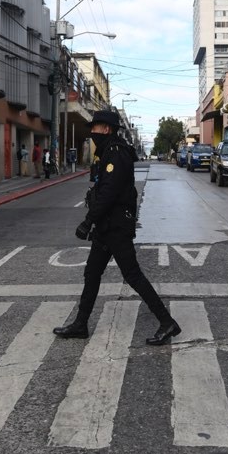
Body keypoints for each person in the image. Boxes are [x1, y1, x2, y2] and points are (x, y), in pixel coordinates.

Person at [53, 110, 181, 345]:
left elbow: (109, 192)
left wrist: (87, 221)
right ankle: (81, 324)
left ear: (107, 129)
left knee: (132, 274)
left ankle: (166, 321)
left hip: (115, 225)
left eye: (96, 127)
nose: (92, 132)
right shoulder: (107, 152)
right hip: (106, 225)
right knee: (92, 272)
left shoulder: (115, 153)